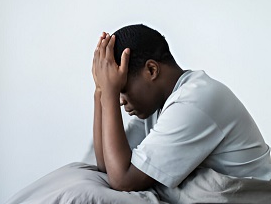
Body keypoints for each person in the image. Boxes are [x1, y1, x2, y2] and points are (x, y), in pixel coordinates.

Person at [92, 24, 271, 192]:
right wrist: (100, 90)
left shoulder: (193, 101)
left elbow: (123, 181)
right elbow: (107, 166)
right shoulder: (156, 105)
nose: (120, 101)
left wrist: (108, 93)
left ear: (151, 70)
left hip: (256, 200)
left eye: (122, 90)